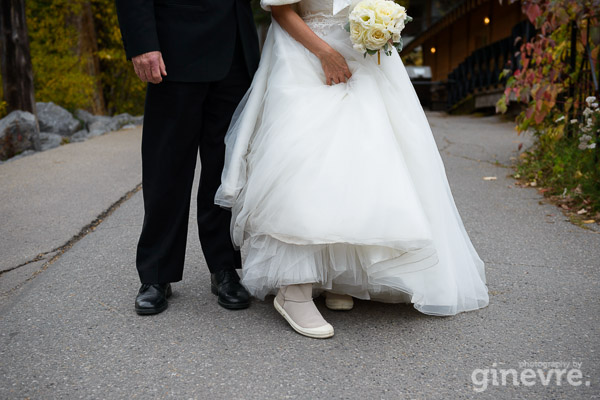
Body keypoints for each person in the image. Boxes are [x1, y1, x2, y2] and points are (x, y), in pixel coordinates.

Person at [215, 0, 490, 338]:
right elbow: (282, 10)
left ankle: (340, 276)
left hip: (364, 56)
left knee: (362, 156)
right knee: (306, 157)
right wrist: (325, 53)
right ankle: (294, 289)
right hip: (305, 53)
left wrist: (382, 26)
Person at [115, 0, 260, 315]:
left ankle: (223, 266)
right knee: (166, 167)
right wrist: (142, 43)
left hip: (235, 46)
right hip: (173, 46)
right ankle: (156, 274)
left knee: (225, 169)